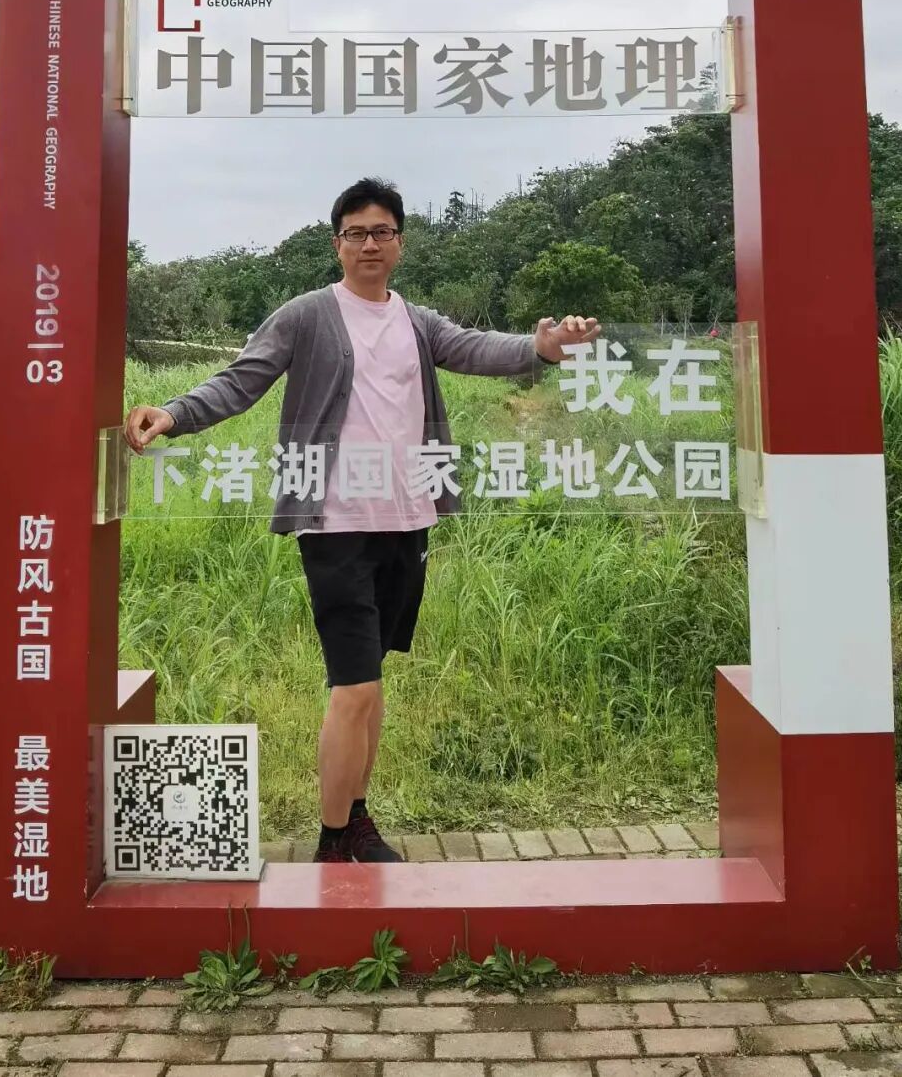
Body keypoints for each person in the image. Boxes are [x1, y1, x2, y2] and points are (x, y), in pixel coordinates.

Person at [124, 177, 600, 864]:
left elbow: (475, 348)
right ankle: (331, 841)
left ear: (399, 243)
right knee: (354, 688)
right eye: (356, 233)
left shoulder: (417, 321)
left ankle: (356, 820)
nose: (369, 244)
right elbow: (241, 379)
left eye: (381, 232)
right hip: (335, 526)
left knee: (370, 687)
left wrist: (542, 349)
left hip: (406, 522)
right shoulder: (307, 316)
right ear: (337, 244)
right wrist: (174, 413)